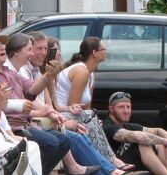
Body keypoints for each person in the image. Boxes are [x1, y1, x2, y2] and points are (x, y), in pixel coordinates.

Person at [0, 30, 145, 175]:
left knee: (66, 137)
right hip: (6, 127)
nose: (2, 48)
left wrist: (48, 75)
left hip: (25, 123)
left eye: (2, 44)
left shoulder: (9, 72)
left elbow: (32, 89)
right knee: (55, 140)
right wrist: (32, 107)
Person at [53, 36, 127, 166]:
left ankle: (106, 163)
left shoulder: (90, 74)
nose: (106, 52)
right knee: (90, 119)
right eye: (103, 49)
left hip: (72, 114)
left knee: (93, 118)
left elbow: (86, 108)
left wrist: (94, 120)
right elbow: (73, 106)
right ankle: (110, 161)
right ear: (94, 53)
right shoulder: (81, 71)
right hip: (60, 114)